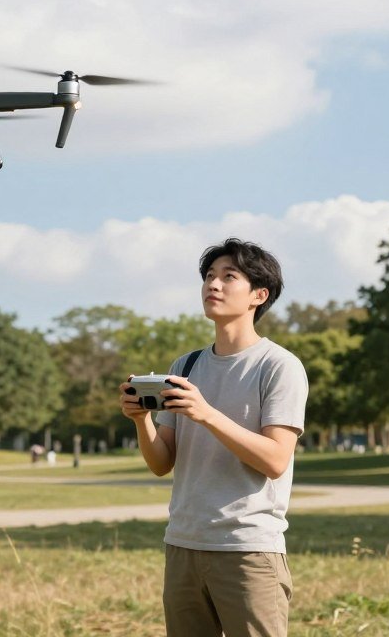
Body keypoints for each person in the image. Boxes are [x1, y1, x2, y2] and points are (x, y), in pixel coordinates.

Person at [120, 238, 308, 637]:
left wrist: (205, 414)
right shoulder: (185, 366)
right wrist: (142, 420)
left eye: (228, 277)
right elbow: (161, 463)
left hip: (248, 550)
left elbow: (276, 460)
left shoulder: (279, 367)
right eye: (208, 276)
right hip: (184, 544)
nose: (213, 285)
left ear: (260, 294)